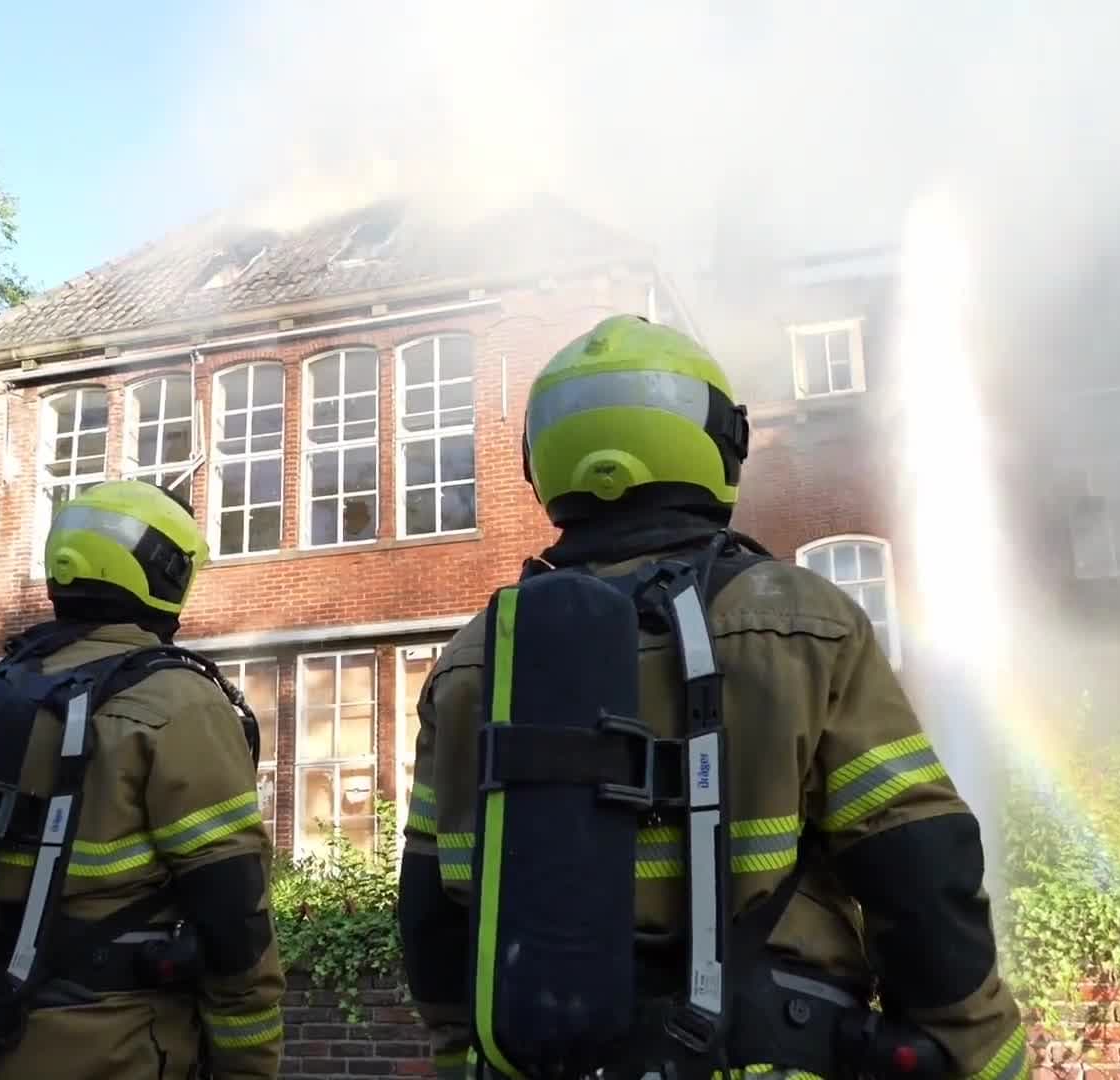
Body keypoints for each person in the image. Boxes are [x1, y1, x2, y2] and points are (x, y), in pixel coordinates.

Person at [396, 315, 1028, 1080]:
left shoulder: (470, 664)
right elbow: (921, 873)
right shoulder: (804, 624)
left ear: (541, 461)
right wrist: (981, 1056)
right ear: (719, 445)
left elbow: (431, 918)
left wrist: (464, 1057)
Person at [0, 479, 288, 1080]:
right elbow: (233, 919)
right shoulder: (177, 700)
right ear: (167, 575)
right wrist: (249, 1065)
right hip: (112, 1049)